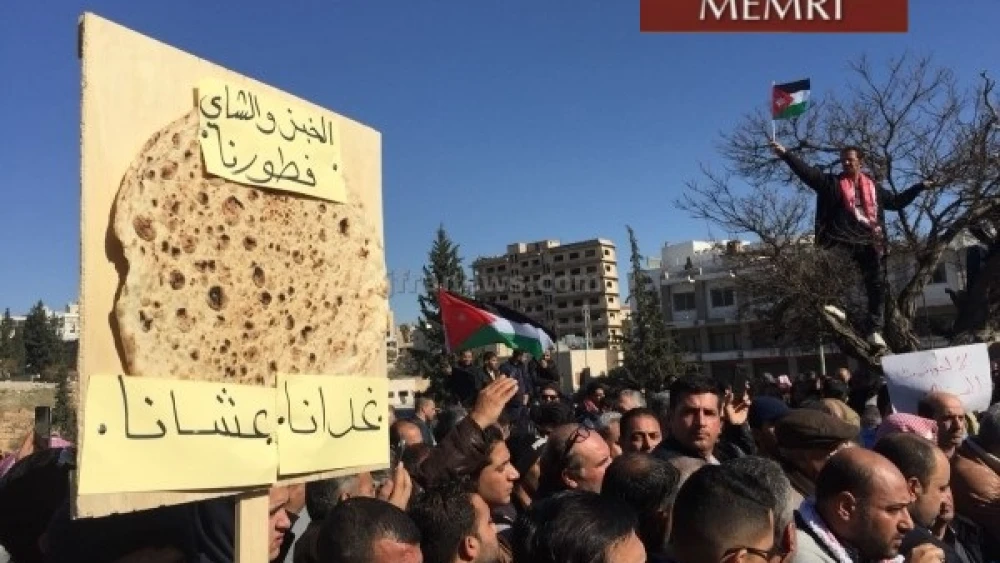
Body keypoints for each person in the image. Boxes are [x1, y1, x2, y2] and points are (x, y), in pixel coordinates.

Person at [769, 140, 932, 349]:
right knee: (833, 268)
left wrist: (919, 187)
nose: (846, 163)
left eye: (850, 159)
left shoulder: (874, 188)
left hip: (870, 241)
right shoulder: (832, 183)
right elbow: (808, 173)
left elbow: (896, 202)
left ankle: (874, 330)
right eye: (843, 160)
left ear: (860, 162)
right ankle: (834, 304)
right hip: (840, 240)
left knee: (876, 284)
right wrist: (786, 154)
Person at [792, 448, 944, 563]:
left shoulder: (863, 549)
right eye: (893, 510)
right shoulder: (801, 555)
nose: (908, 524)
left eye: (906, 508)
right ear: (845, 508)